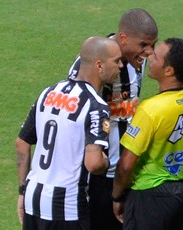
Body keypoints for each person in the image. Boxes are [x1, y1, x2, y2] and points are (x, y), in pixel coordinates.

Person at [15, 36, 123, 230]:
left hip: (34, 198)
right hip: (67, 207)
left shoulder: (48, 93)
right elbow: (94, 163)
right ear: (99, 65)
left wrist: (22, 191)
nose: (121, 66)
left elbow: (21, 143)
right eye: (116, 61)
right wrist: (107, 161)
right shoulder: (96, 107)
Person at [68, 8, 158, 230]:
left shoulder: (137, 60)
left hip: (128, 168)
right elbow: (75, 106)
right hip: (99, 174)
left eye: (153, 45)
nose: (149, 52)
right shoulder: (94, 60)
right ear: (124, 38)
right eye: (144, 45)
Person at [112, 38, 183, 230]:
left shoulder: (150, 110)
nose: (149, 56)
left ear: (168, 71)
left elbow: (126, 165)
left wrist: (117, 196)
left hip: (148, 196)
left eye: (155, 56)